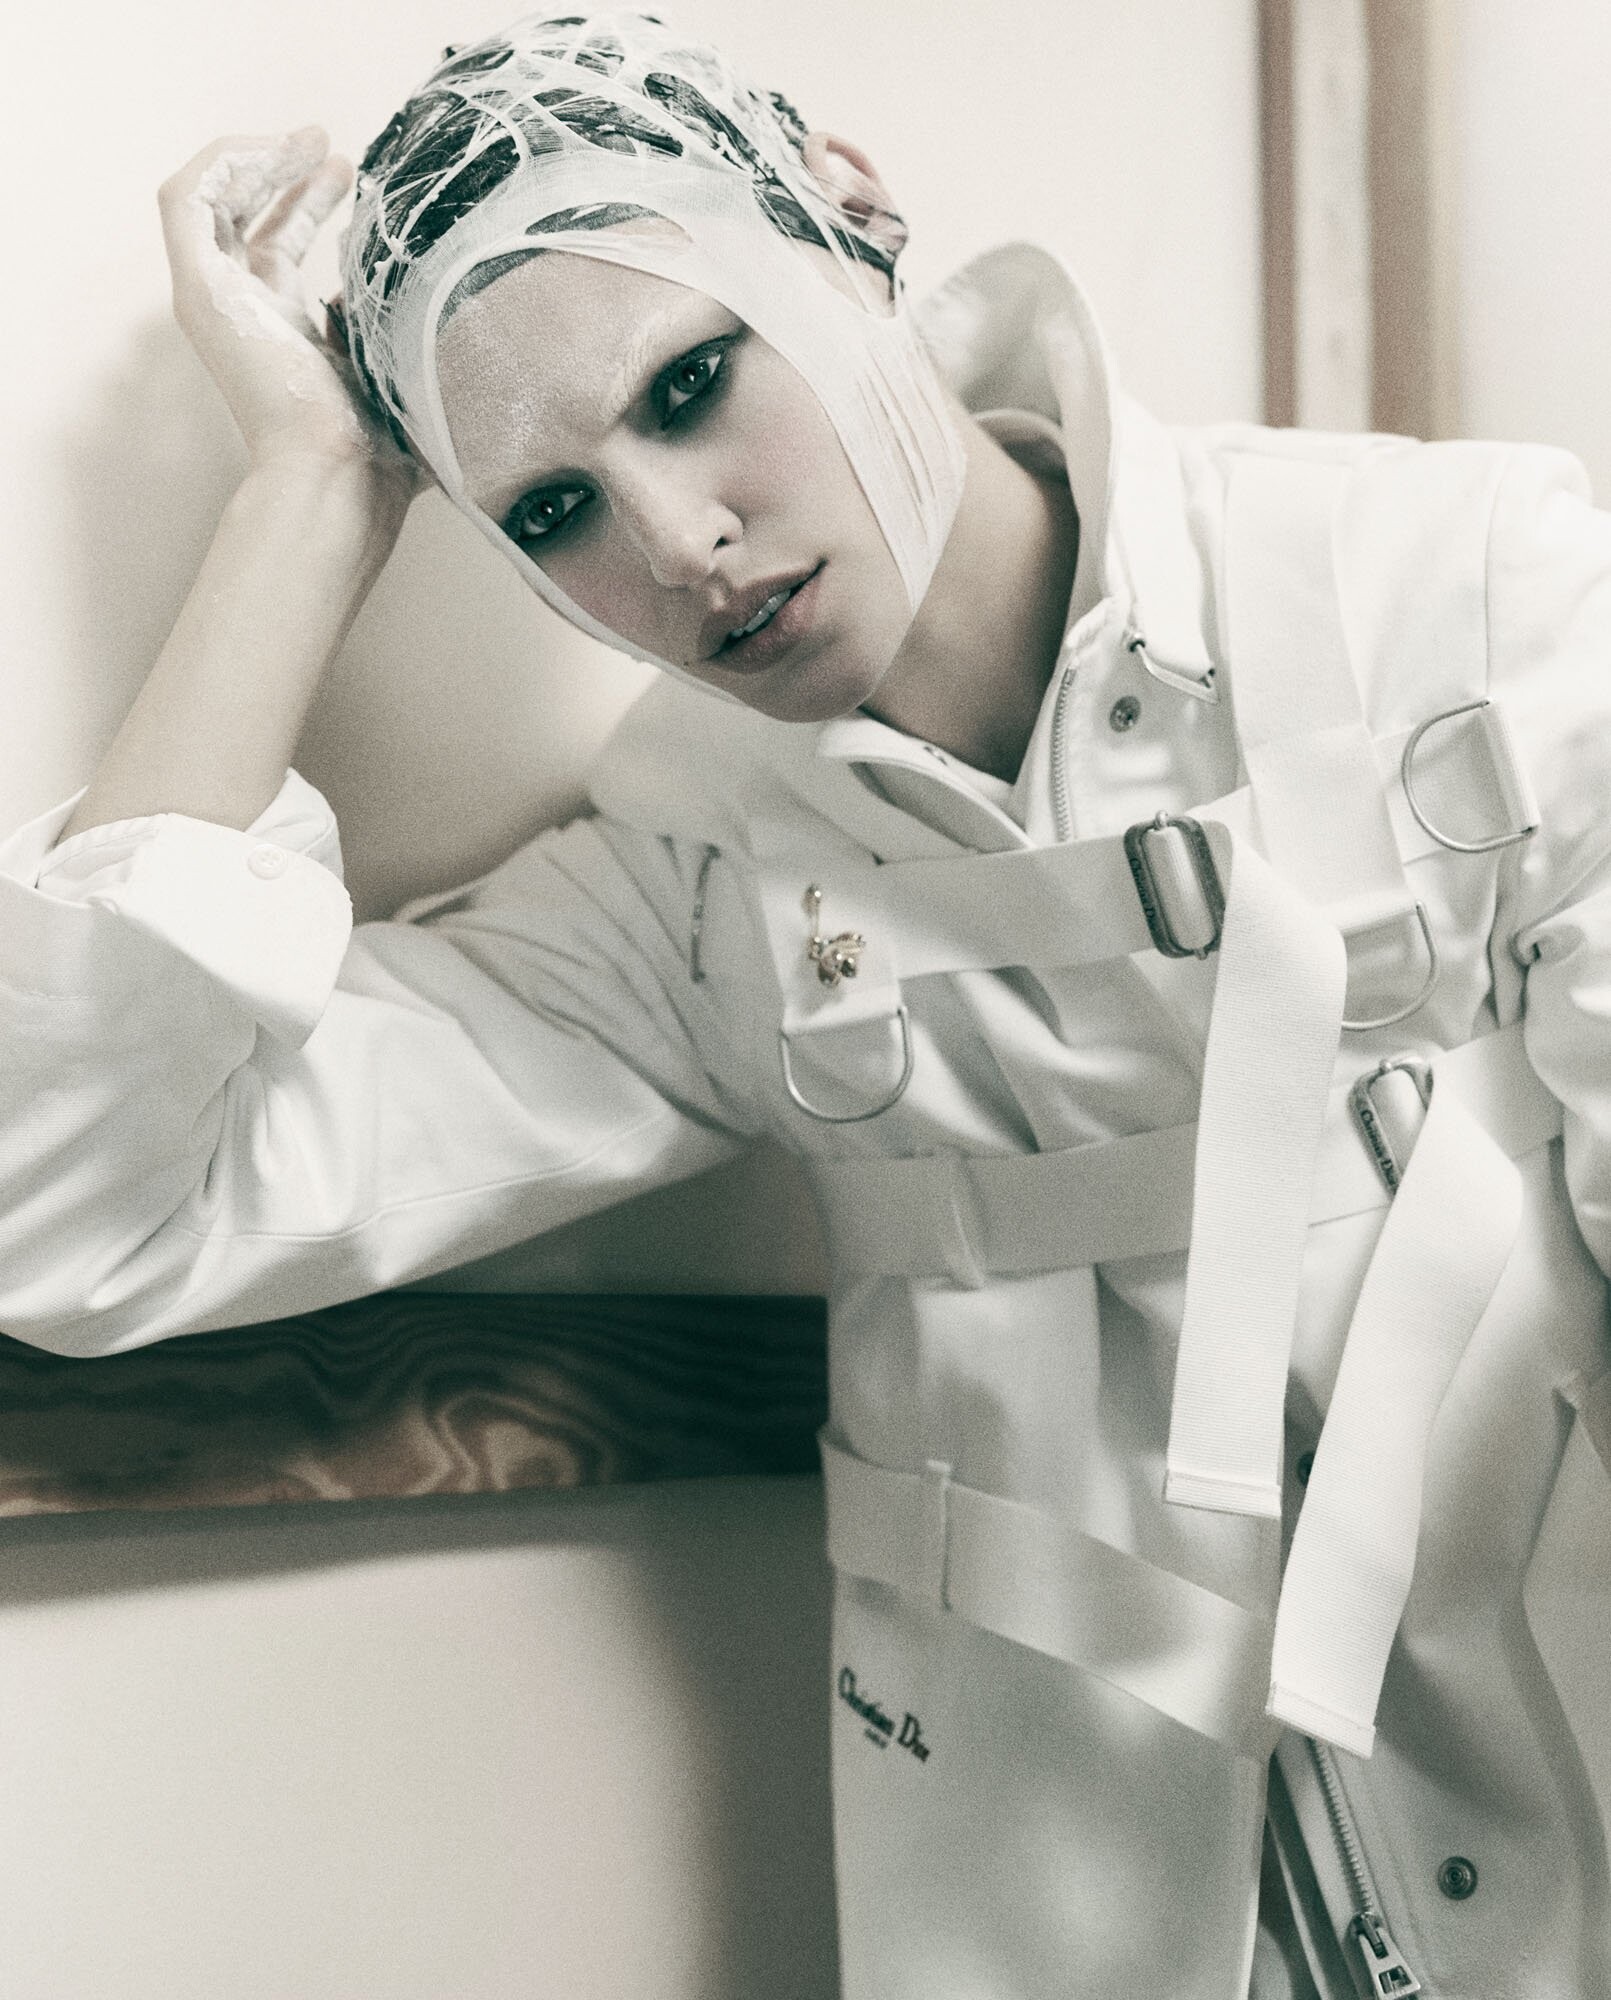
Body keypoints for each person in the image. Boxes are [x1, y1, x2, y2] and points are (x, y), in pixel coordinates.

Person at [3, 11, 1610, 1996]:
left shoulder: (1464, 591)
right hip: (1056, 1918)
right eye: (551, 512)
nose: (677, 541)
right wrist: (309, 493)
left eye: (690, 385)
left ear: (846, 212)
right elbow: (74, 1209)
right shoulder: (700, 891)